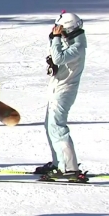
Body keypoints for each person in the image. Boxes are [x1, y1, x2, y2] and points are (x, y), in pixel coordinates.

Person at [39, 13, 87, 180]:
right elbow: (55, 56)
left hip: (64, 91)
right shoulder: (71, 40)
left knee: (58, 128)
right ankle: (58, 162)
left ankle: (69, 168)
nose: (59, 31)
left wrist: (57, 38)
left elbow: (59, 57)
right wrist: (53, 38)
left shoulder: (78, 45)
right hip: (57, 88)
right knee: (50, 126)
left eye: (61, 29)